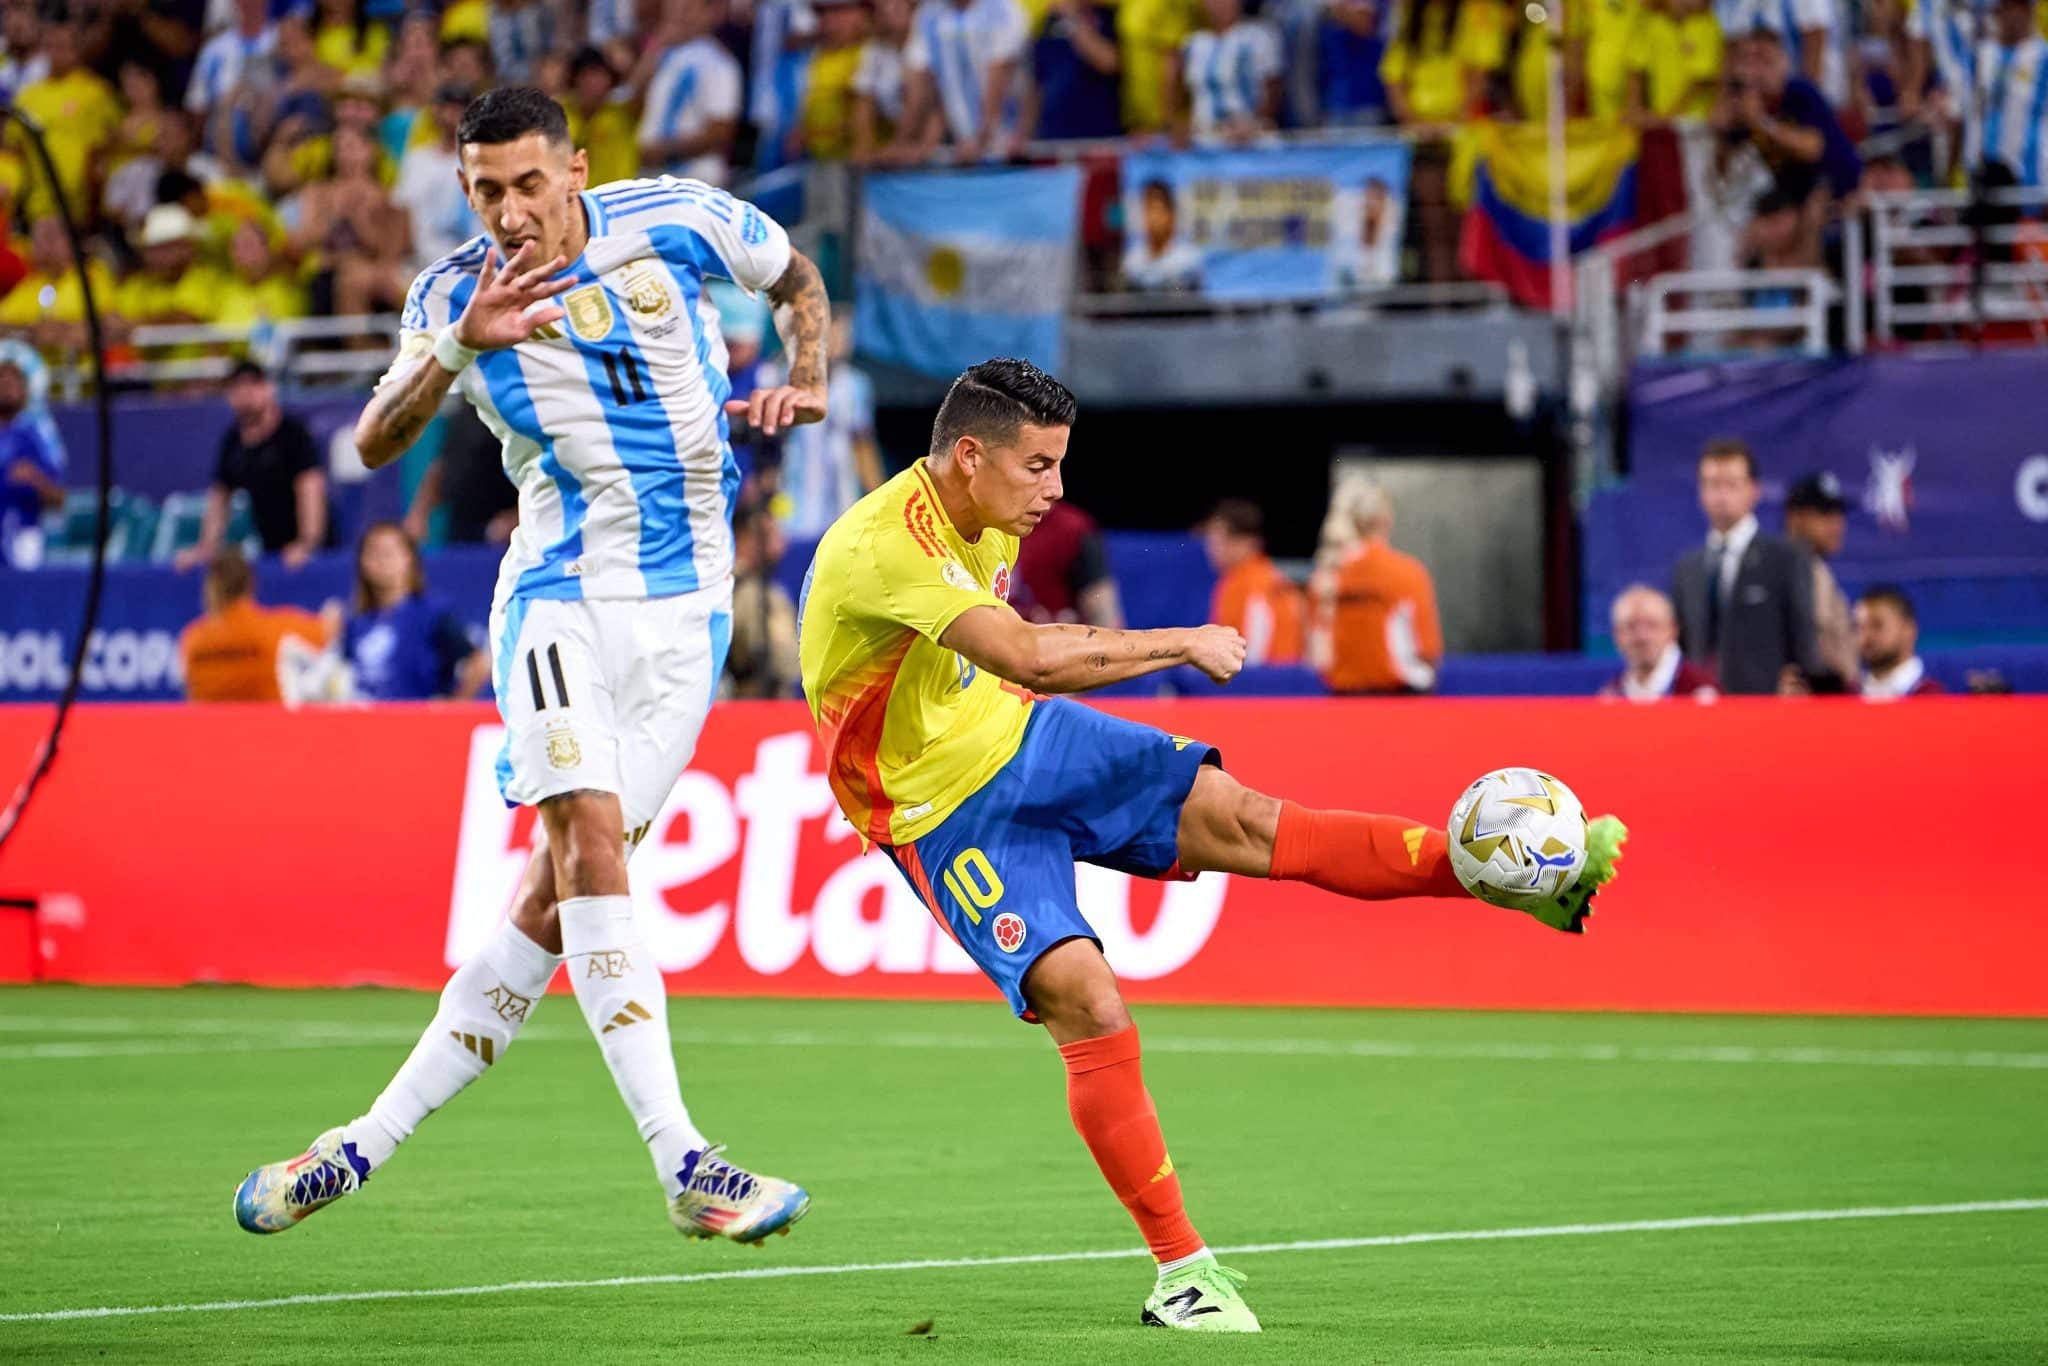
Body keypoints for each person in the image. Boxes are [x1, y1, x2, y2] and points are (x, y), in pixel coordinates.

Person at [796, 358, 1628, 1332]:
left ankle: (1502, 877)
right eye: (1036, 467)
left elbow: (1009, 668)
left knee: (1247, 818)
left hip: (1016, 737)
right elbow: (1026, 653)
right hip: (937, 811)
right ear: (968, 455)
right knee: (1087, 999)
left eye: (1060, 465)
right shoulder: (882, 546)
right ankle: (1182, 1273)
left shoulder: (982, 511)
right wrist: (1180, 640)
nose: (1054, 490)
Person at [232, 87, 835, 1249]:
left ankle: (357, 1144)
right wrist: (462, 343)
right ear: (464, 190)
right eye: (484, 190)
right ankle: (686, 1162)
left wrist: (804, 374)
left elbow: (795, 278)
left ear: (576, 169)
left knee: (555, 900)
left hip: (689, 617)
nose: (508, 211)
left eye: (527, 184)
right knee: (589, 841)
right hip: (561, 596)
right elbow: (370, 440)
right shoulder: (448, 293)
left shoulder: (676, 218)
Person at [1671, 437, 1818, 696]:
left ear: (1754, 490)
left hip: (1764, 709)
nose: (1721, 495)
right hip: (1700, 712)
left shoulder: (1785, 557)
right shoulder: (1688, 566)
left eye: (1731, 485)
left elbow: (1804, 639)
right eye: (1712, 484)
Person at [176, 361, 331, 572]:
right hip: (272, 550)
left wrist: (307, 543)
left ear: (269, 389)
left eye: (253, 385)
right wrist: (206, 547)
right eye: (237, 388)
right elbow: (220, 498)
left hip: (314, 554)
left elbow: (310, 488)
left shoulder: (294, 434)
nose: (245, 394)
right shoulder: (233, 442)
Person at [1309, 479, 1442, 694]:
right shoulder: (1408, 572)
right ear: (1386, 520)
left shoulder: (1326, 577)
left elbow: (1318, 657)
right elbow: (1428, 649)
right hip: (1401, 699)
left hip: (1343, 699)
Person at [341, 521, 490, 700]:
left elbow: (479, 663)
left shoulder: (432, 613)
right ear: (362, 562)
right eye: (373, 553)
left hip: (417, 721)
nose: (382, 560)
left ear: (409, 558)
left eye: (389, 552)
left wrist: (453, 709)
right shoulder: (357, 621)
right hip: (367, 720)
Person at [179, 547, 335, 702]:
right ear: (250, 585)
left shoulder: (191, 640)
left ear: (210, 589)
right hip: (270, 725)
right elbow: (326, 632)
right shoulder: (276, 629)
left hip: (211, 726)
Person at [898, 0, 1031, 161]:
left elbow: (1000, 73)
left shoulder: (1004, 9)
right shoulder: (929, 14)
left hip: (1010, 138)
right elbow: (920, 85)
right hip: (964, 142)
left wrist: (984, 135)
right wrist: (903, 142)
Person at [637, 0, 743, 185]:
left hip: (693, 181)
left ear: (711, 13)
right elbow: (632, 102)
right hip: (654, 177)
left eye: (688, 8)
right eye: (674, 7)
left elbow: (721, 132)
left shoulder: (717, 63)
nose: (679, 14)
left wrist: (663, 151)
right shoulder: (665, 56)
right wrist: (654, 50)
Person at [1201, 498, 1305, 666]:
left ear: (1244, 542)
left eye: (1216, 540)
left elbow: (1253, 652)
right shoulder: (1276, 577)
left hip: (1259, 684)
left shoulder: (1243, 585)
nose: (1210, 549)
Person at [401, 399, 519, 545]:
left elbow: (544, 476)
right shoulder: (467, 412)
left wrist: (516, 519)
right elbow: (444, 463)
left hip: (512, 534)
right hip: (462, 524)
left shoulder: (527, 415)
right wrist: (419, 514)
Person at [1781, 471, 1856, 690]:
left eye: (1839, 514)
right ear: (1795, 517)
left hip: (1836, 703)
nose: (1837, 524)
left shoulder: (1820, 571)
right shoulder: (1778, 570)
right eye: (1824, 513)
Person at [1171, 0, 1283, 145]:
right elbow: (1178, 91)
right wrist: (1178, 126)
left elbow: (1274, 87)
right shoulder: (1193, 43)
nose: (1220, 5)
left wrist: (1255, 123)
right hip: (1204, 139)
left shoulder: (1259, 36)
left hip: (1250, 140)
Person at [1964, 0, 2048, 188]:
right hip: (1982, 177)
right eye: (2001, 9)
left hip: (2030, 176)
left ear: (2028, 11)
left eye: (2014, 7)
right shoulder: (1980, 56)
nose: (2007, 15)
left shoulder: (2043, 57)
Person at [725, 498, 801, 697]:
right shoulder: (756, 594)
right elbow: (787, 661)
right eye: (769, 535)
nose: (779, 545)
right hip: (755, 703)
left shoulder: (719, 585)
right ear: (745, 538)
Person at [1014, 496, 1124, 627]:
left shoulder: (1074, 530)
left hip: (1050, 642)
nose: (1056, 490)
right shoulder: (987, 525)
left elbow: (1106, 620)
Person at [1599, 584, 1718, 700]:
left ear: (1673, 630)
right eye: (1631, 626)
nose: (1642, 637)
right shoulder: (1611, 696)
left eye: (1652, 625)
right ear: (1616, 635)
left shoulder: (1701, 693)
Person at [1028, 0, 1124, 141]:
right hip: (1052, 137)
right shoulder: (1048, 22)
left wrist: (1072, 18)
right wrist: (1025, 134)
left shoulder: (1108, 17)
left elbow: (1109, 63)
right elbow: (1038, 83)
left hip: (1098, 138)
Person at [0, 355, 63, 569]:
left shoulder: (35, 436)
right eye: (1, 381)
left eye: (13, 383)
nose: (6, 388)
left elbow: (59, 498)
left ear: (25, 392)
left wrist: (34, 478)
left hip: (23, 535)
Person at [1854, 585, 1944, 698]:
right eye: (1859, 627)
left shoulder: (1932, 696)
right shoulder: (1847, 694)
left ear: (1909, 629)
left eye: (1877, 625)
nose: (1865, 637)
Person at [1121, 178, 1203, 290]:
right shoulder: (1132, 261)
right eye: (1147, 210)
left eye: (1158, 210)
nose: (1152, 218)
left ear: (1171, 215)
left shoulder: (1188, 261)